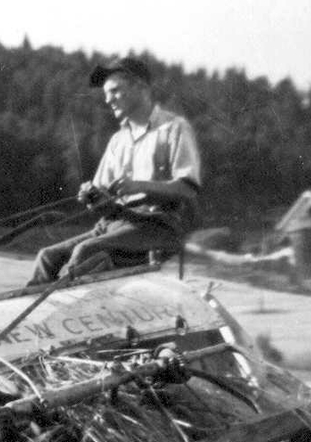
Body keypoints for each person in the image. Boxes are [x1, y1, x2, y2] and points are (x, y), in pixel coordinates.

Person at [28, 56, 202, 286]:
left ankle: (67, 309)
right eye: (106, 94)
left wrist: (139, 185)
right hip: (114, 224)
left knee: (85, 252)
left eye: (115, 91)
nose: (109, 100)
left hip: (158, 226)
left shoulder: (174, 128)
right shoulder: (118, 140)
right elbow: (104, 203)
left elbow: (188, 189)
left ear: (141, 87)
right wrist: (93, 196)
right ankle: (30, 319)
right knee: (47, 257)